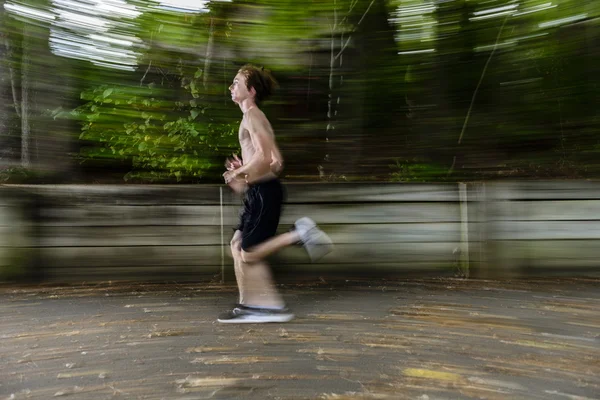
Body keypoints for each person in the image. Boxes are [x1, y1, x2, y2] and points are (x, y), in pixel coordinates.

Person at [219, 64, 333, 323]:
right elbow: (276, 162)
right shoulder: (254, 118)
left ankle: (299, 234)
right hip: (258, 192)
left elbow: (264, 156)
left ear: (251, 90)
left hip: (264, 193)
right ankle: (249, 305)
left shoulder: (252, 115)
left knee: (248, 251)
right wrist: (245, 170)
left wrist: (239, 173)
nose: (231, 86)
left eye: (236, 82)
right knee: (236, 246)